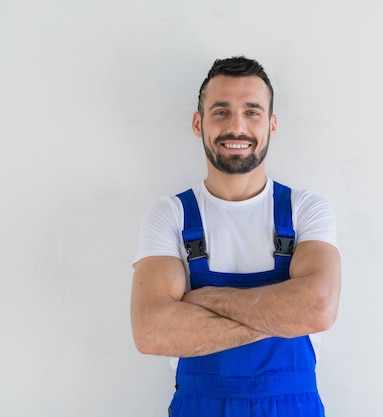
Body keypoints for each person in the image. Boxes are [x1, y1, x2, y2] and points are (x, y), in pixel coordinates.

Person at [130, 56, 342, 417]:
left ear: (272, 125)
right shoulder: (172, 215)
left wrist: (204, 299)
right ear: (199, 123)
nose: (237, 126)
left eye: (252, 112)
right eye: (221, 111)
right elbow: (151, 332)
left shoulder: (305, 209)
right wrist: (282, 316)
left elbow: (317, 308)